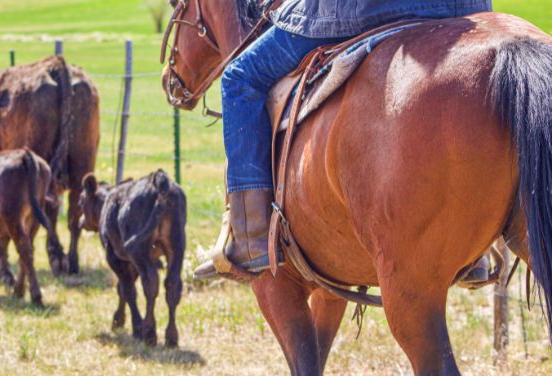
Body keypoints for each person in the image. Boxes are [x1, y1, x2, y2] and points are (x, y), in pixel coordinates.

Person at [194, 0, 493, 280]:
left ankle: (251, 236)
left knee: (240, 77)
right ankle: (477, 242)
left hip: (362, 10)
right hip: (462, 7)